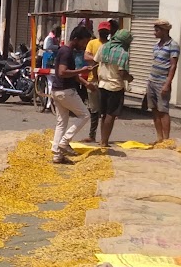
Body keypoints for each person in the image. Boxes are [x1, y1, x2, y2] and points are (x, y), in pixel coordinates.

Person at [48, 24, 92, 163]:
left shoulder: (65, 51)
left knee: (61, 122)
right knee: (85, 115)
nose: (84, 46)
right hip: (66, 91)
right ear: (76, 39)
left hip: (57, 91)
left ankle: (57, 154)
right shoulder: (67, 52)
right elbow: (62, 72)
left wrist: (86, 84)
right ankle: (65, 142)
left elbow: (71, 74)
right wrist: (81, 70)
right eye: (84, 42)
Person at [95, 26, 131, 151]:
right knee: (111, 114)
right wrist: (129, 78)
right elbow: (122, 73)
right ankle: (105, 141)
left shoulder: (104, 47)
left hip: (102, 84)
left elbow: (96, 63)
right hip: (115, 86)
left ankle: (102, 139)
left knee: (103, 114)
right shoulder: (123, 53)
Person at [146, 19, 180, 143]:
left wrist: (167, 83)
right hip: (152, 80)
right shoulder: (156, 45)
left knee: (163, 110)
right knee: (154, 110)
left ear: (164, 30)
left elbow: (173, 65)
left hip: (162, 82)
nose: (154, 32)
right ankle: (159, 138)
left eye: (157, 30)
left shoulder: (173, 45)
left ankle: (166, 139)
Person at [84, 21, 112, 142]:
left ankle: (103, 138)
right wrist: (98, 59)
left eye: (106, 31)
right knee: (94, 110)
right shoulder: (92, 42)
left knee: (104, 111)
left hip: (106, 80)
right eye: (102, 31)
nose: (104, 33)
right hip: (93, 80)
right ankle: (92, 135)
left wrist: (95, 59)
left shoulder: (110, 45)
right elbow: (86, 56)